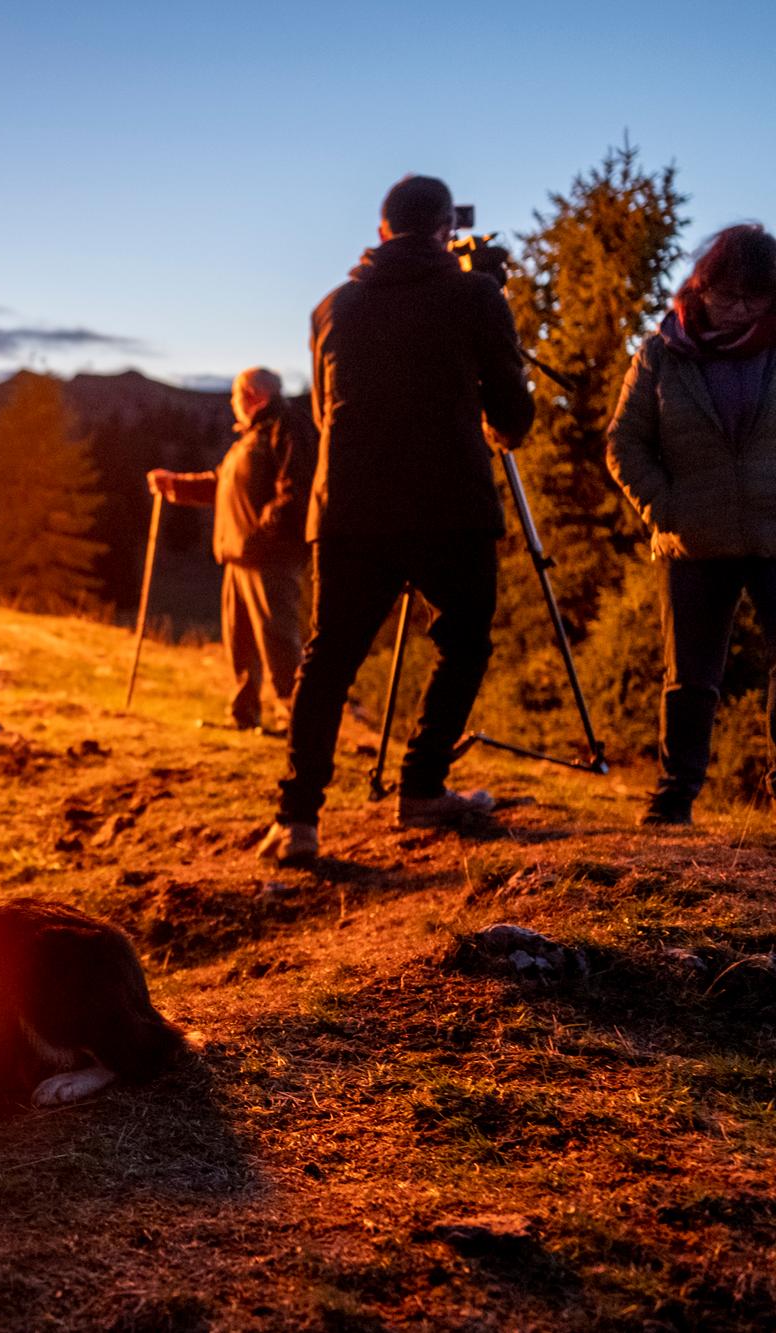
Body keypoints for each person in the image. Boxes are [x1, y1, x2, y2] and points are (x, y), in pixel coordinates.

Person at [257, 175, 535, 866]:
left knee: (328, 661)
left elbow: (325, 414)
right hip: (449, 504)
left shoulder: (333, 306)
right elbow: (513, 416)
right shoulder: (475, 294)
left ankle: (297, 818)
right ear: (445, 229)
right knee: (464, 642)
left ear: (382, 231)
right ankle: (422, 788)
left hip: (350, 506)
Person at [607, 224, 776, 826]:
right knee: (690, 677)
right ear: (701, 287)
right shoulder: (661, 351)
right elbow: (624, 444)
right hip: (693, 541)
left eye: (753, 299)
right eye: (725, 295)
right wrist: (667, 511)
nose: (736, 310)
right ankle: (674, 800)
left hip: (772, 535)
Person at [147, 367, 314, 734]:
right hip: (241, 556)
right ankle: (243, 716)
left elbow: (295, 492)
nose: (232, 403)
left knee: (278, 641)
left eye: (236, 396)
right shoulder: (250, 438)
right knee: (240, 642)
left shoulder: (285, 429)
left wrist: (260, 538)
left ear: (254, 395)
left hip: (269, 557)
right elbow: (222, 486)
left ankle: (296, 725)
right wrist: (175, 485)